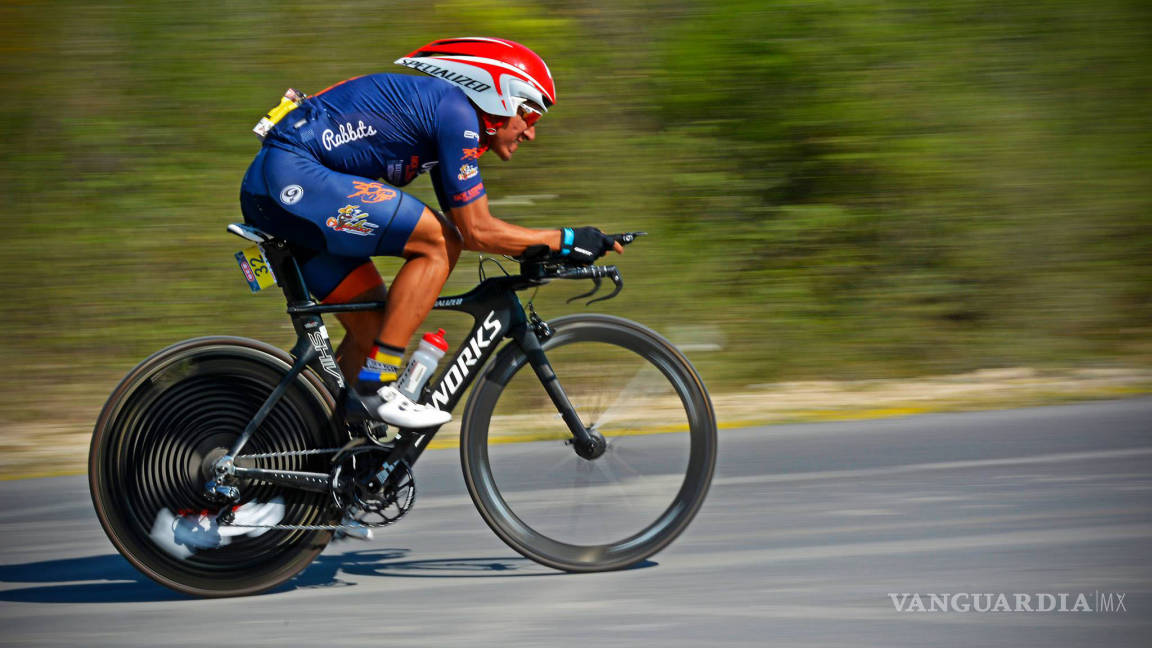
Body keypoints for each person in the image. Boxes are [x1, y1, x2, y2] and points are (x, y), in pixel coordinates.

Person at [239, 37, 622, 429]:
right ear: (502, 98)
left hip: (283, 193)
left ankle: (307, 436)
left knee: (373, 326)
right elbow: (473, 232)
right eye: (531, 118)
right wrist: (567, 240)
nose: (530, 134)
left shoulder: (447, 120)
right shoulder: (457, 116)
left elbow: (475, 226)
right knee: (440, 242)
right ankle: (378, 385)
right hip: (290, 178)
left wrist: (542, 248)